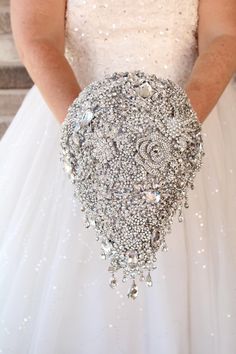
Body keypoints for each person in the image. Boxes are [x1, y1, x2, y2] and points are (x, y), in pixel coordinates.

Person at [0, 0, 235, 353]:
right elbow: (37, 37)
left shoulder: (182, 125)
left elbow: (223, 33)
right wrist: (94, 141)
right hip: (74, 116)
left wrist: (176, 131)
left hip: (192, 116)